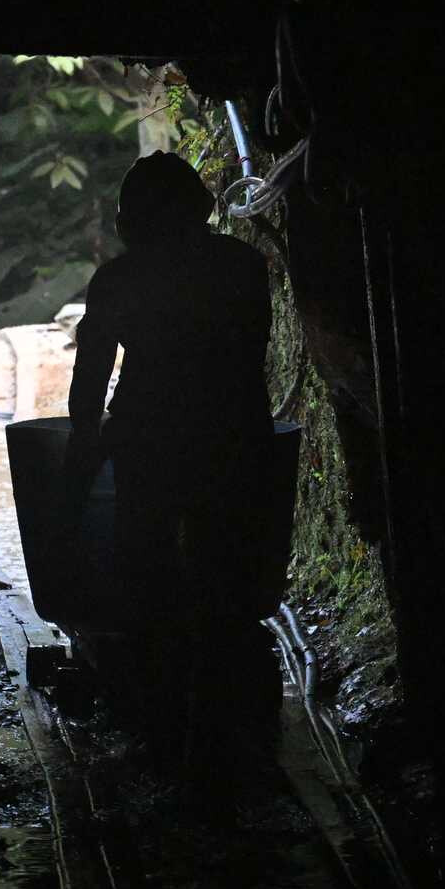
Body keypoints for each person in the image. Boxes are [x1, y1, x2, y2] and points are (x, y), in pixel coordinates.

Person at [59, 151, 274, 758]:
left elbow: (93, 372)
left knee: (145, 554)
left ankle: (153, 702)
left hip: (148, 432)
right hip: (233, 431)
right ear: (204, 210)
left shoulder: (119, 281)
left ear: (128, 223)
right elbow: (248, 353)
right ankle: (222, 710)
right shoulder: (245, 267)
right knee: (224, 560)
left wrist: (84, 441)